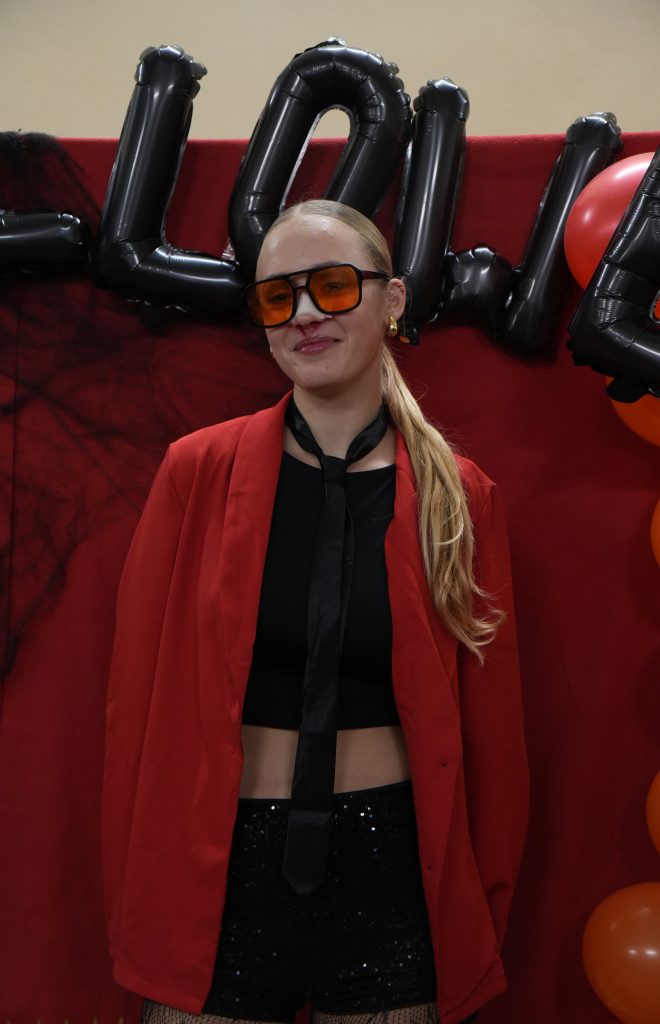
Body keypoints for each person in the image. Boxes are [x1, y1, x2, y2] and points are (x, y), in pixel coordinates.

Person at [102, 200, 528, 1024]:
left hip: (391, 866)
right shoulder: (196, 471)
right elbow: (136, 701)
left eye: (332, 286)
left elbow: (493, 734)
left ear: (392, 299)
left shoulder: (460, 496)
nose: (303, 314)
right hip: (215, 862)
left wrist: (477, 903)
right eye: (278, 296)